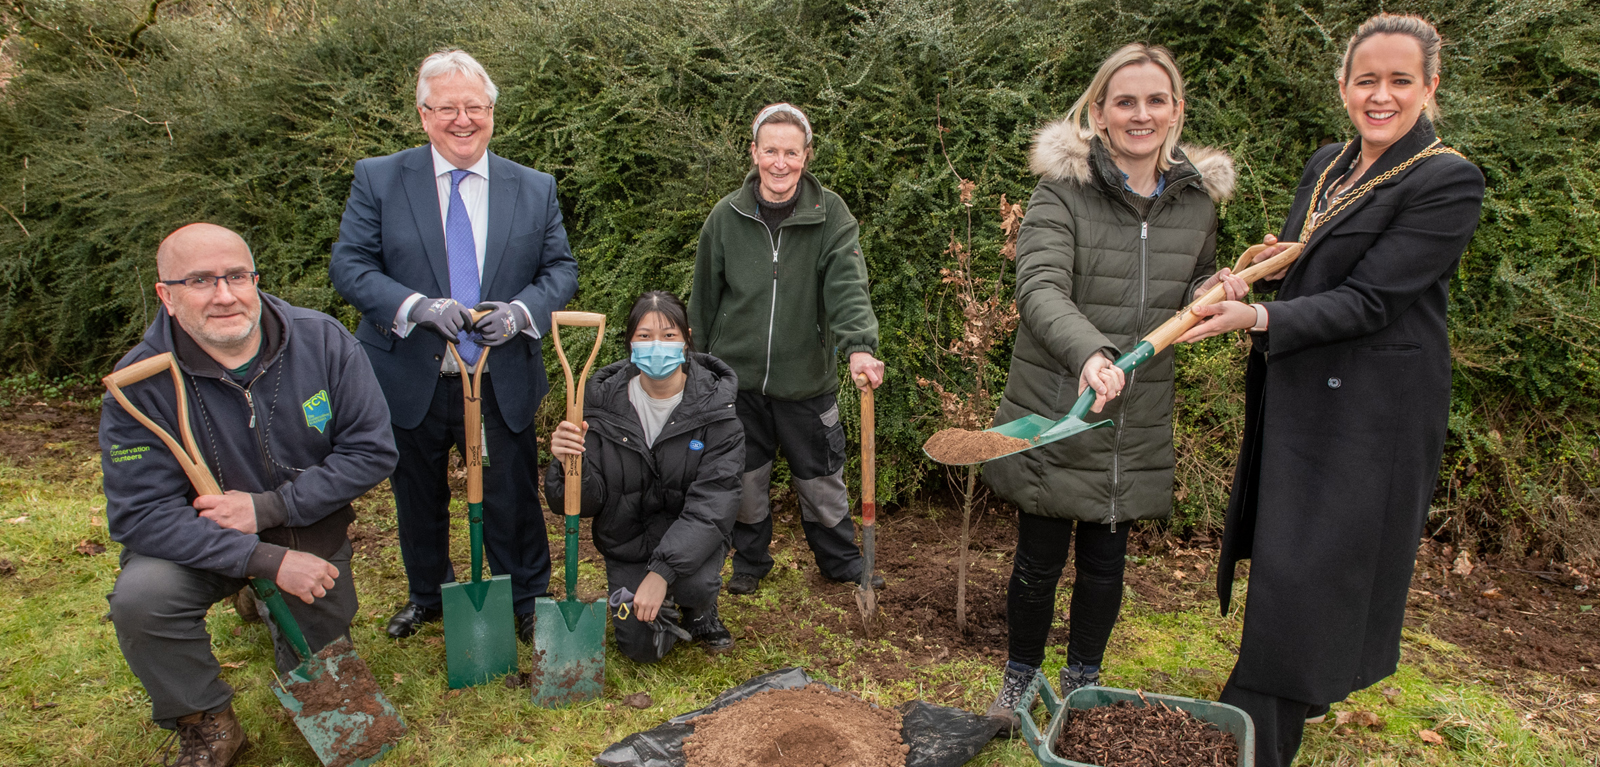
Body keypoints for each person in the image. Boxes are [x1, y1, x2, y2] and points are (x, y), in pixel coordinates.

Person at [1176, 15, 1485, 767]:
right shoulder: (1329, 163)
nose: (1381, 95)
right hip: (1305, 392)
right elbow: (1321, 264)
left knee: (1313, 566)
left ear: (1430, 86)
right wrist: (1262, 269)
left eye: (1400, 81)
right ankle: (1292, 693)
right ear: (1343, 85)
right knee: (1292, 556)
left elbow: (1374, 299)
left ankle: (1257, 731)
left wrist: (1255, 317)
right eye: (1366, 80)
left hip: (1372, 412)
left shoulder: (1447, 180)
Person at [980, 44, 1238, 730]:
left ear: (1176, 111)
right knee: (1039, 558)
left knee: (1106, 561)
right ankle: (1019, 677)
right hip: (1061, 403)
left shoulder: (1195, 203)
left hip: (1136, 409)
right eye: (1124, 101)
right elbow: (1040, 288)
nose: (1140, 114)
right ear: (1099, 113)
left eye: (1155, 100)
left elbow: (1192, 280)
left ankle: (1082, 682)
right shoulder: (1061, 193)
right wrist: (1091, 353)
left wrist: (1210, 292)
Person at [102, 224, 397, 767]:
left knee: (323, 659)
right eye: (200, 281)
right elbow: (140, 515)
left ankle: (262, 600)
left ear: (255, 279)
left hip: (304, 528)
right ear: (166, 295)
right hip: (200, 546)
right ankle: (206, 720)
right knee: (143, 599)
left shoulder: (322, 341)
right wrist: (261, 558)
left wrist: (269, 509)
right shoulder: (139, 383)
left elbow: (372, 452)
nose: (225, 295)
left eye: (237, 276)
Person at [329, 49, 579, 643]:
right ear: (424, 114)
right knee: (417, 492)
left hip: (499, 372)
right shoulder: (380, 179)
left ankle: (525, 597)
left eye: (474, 107)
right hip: (411, 370)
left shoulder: (533, 186)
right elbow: (350, 265)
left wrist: (519, 314)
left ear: (492, 111)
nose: (462, 120)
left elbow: (560, 270)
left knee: (510, 490)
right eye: (447, 108)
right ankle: (429, 595)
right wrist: (418, 307)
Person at [689, 102, 886, 596]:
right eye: (771, 151)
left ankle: (841, 561)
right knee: (745, 479)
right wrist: (696, 367)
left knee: (822, 478)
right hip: (737, 382)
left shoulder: (830, 214)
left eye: (792, 153)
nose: (781, 163)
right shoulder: (726, 216)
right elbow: (704, 298)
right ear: (754, 153)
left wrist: (859, 346)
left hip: (806, 380)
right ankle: (750, 562)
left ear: (806, 155)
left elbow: (847, 285)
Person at [544, 291, 741, 662]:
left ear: (686, 340)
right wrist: (567, 462)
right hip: (629, 542)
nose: (657, 346)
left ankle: (699, 609)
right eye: (645, 336)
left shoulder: (717, 411)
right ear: (630, 343)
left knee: (696, 585)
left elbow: (713, 505)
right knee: (640, 650)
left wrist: (662, 572)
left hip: (690, 538)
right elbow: (583, 504)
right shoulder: (601, 406)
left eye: (668, 335)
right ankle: (653, 600)